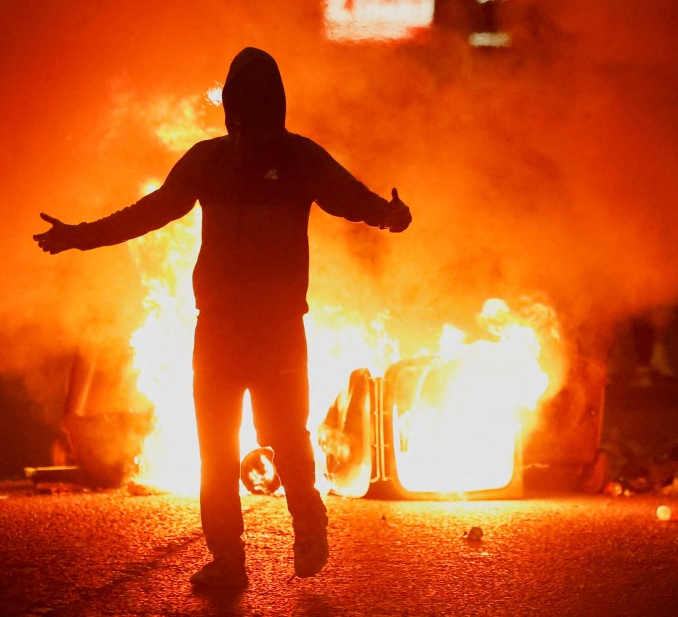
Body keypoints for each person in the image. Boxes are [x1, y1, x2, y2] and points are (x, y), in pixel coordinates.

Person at [33, 47, 412, 588]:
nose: (251, 111)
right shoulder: (208, 161)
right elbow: (151, 211)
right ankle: (229, 561)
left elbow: (350, 197)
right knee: (216, 443)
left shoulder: (300, 158)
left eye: (260, 99)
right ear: (233, 106)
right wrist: (80, 236)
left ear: (274, 104)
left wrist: (388, 214)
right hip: (218, 329)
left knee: (284, 434)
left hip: (278, 328)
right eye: (244, 100)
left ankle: (308, 521)